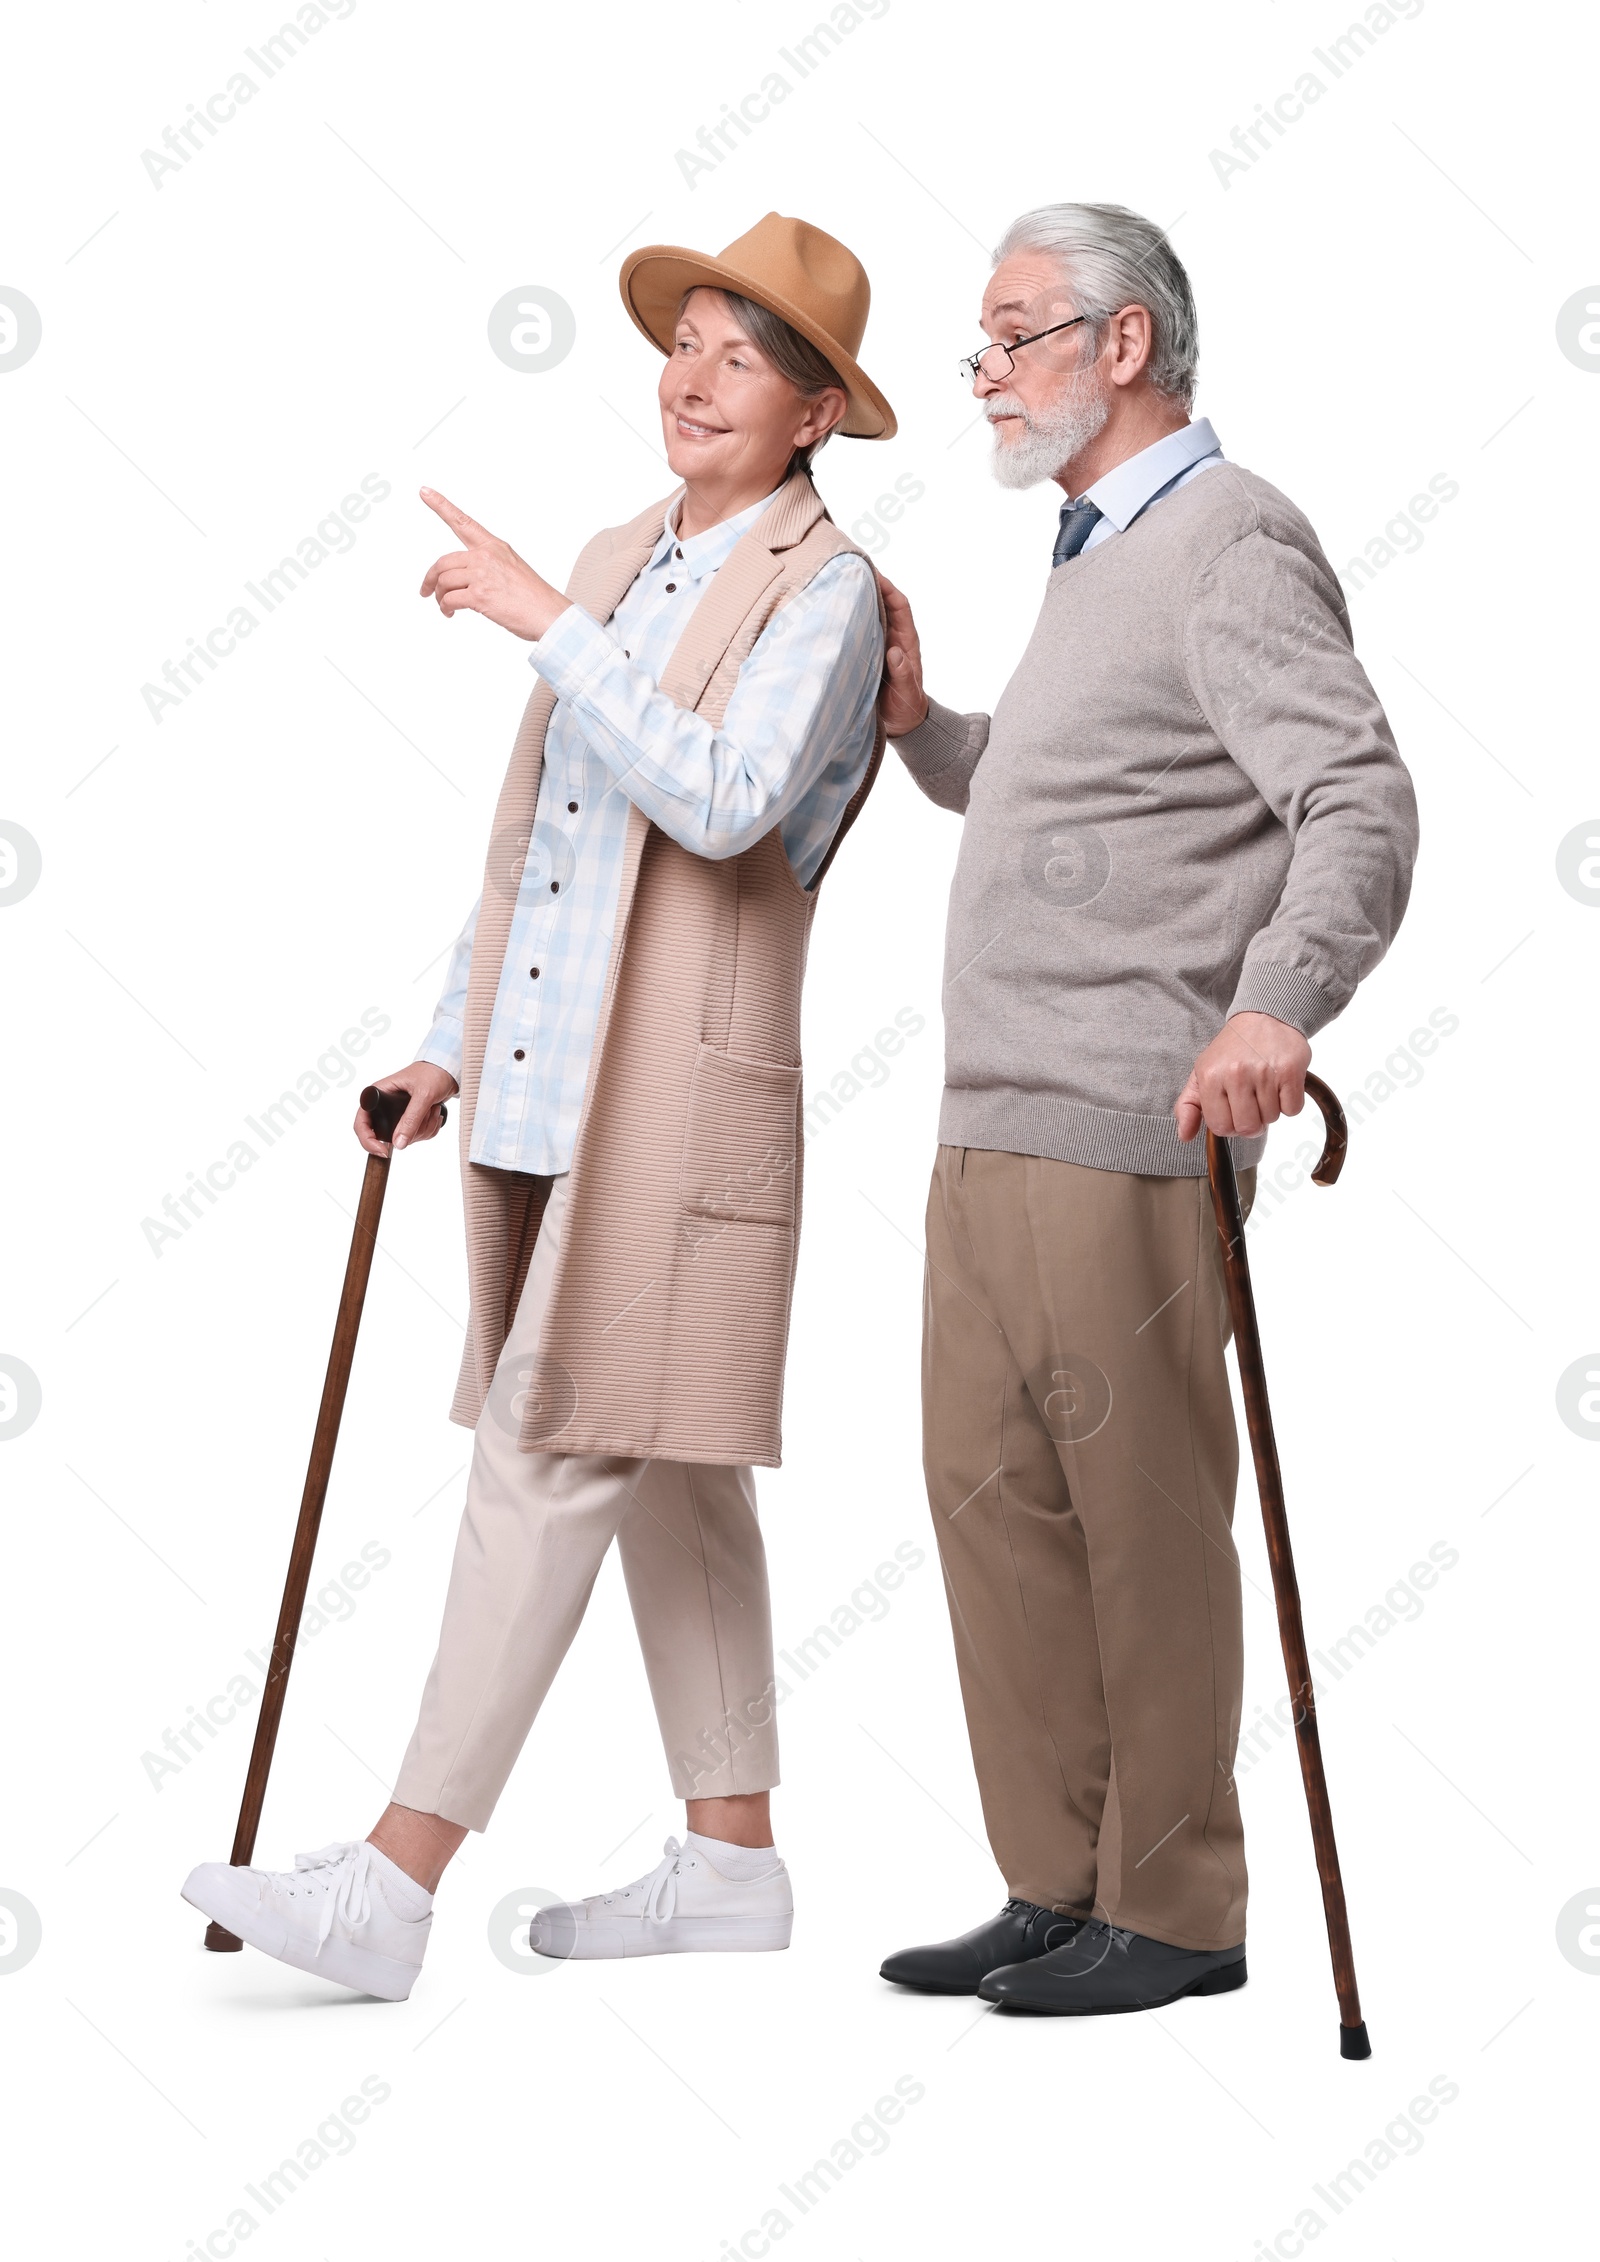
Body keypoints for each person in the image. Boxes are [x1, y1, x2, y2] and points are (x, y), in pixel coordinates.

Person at [183, 213, 895, 1999]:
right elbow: (543, 850)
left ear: (814, 415)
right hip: (545, 1075)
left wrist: (550, 629)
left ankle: (396, 1882)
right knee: (669, 1469)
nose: (692, 376)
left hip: (685, 1101)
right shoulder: (612, 555)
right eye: (688, 343)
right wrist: (443, 1037)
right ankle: (732, 1857)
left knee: (556, 1433)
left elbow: (729, 800)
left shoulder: (824, 590)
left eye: (743, 358)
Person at [875, 202, 1418, 2015]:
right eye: (984, 342)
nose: (987, 376)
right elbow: (1073, 797)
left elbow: (1356, 800)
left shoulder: (1230, 537)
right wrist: (923, 721)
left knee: (1143, 1513)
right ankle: (1062, 1878)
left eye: (1015, 335)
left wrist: (1274, 1004)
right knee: (989, 1498)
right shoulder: (1096, 551)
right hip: (986, 1121)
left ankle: (1177, 1906)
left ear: (1125, 346)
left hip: (1129, 1127)